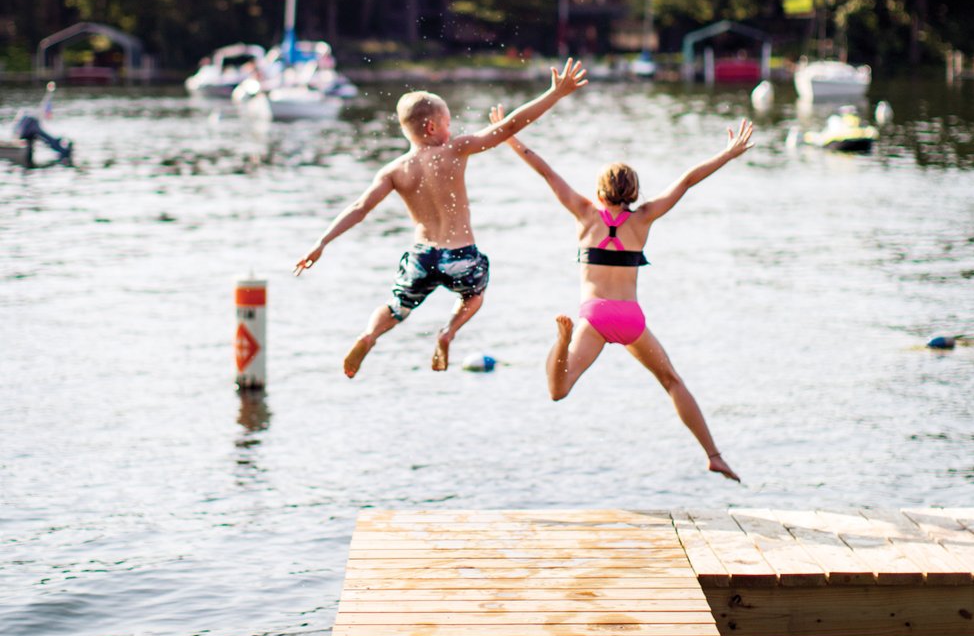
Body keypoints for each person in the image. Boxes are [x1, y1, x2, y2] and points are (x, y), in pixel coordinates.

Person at [491, 107, 754, 481]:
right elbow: (686, 181)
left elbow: (546, 170)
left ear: (600, 190)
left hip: (594, 317)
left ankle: (562, 342)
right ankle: (713, 454)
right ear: (632, 191)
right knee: (672, 382)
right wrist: (726, 154)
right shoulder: (644, 218)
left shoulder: (585, 213)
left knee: (558, 389)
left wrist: (510, 136)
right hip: (631, 319)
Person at [294, 59, 588, 377]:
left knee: (397, 307)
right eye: (448, 123)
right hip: (460, 254)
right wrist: (554, 94)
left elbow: (359, 208)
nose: (451, 130)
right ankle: (448, 331)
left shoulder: (394, 170)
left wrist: (321, 242)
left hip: (422, 256)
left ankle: (369, 335)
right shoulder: (455, 150)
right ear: (433, 127)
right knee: (474, 295)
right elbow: (510, 126)